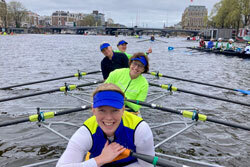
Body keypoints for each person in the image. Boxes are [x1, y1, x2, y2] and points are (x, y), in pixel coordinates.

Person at [56, 83, 155, 167]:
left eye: (115, 110)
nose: (108, 118)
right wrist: (100, 160)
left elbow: (146, 165)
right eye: (102, 110)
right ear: (93, 110)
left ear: (123, 110)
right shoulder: (86, 131)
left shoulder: (140, 128)